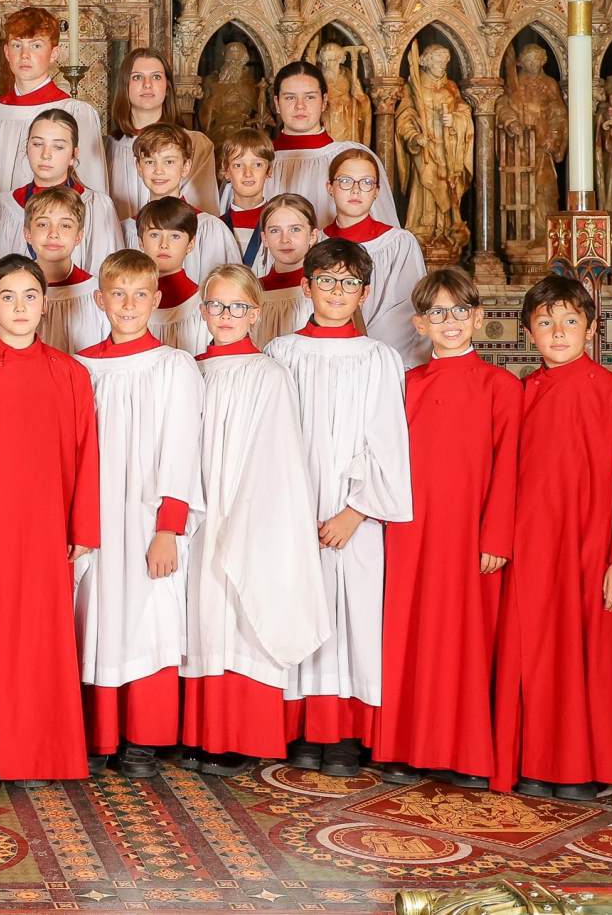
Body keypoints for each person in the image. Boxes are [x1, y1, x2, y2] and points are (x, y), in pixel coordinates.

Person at [492, 274, 612, 801]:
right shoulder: (521, 393)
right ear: (527, 332)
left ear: (590, 327)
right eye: (544, 323)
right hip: (533, 548)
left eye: (569, 321)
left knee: (591, 656)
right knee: (535, 654)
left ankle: (591, 764)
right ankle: (536, 760)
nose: (557, 332)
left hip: (591, 550)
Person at [263, 239, 413, 779]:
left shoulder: (379, 358)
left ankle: (346, 732)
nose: (336, 292)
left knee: (353, 615)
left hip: (355, 516)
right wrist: (286, 507)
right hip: (293, 508)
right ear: (305, 287)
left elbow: (388, 442)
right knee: (296, 605)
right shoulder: (281, 353)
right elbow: (270, 437)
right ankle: (301, 727)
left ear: (366, 294)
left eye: (349, 283)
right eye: (326, 281)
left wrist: (357, 510)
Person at [371, 268, 519, 789]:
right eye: (437, 312)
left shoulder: (501, 387)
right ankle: (404, 747)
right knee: (408, 636)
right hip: (411, 532)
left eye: (460, 311)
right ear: (420, 323)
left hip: (470, 535)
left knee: (466, 641)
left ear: (478, 318)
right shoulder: (405, 384)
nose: (450, 322)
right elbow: (384, 459)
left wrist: (497, 537)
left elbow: (510, 468)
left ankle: (468, 752)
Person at [180, 265, 330, 776]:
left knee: (239, 612)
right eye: (217, 306)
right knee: (200, 617)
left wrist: (244, 507)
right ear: (202, 312)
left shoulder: (268, 374)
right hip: (198, 511)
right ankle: (203, 731)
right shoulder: (187, 369)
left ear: (256, 313)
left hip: (248, 506)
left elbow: (279, 451)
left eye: (238, 307)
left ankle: (242, 733)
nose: (227, 316)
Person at [0, 255, 99, 785]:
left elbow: (88, 453)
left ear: (46, 304)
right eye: (8, 297)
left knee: (41, 637)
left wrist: (83, 528)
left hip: (46, 527)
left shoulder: (70, 373)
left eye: (30, 296)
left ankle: (39, 752)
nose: (20, 307)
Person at [74, 252, 204, 778]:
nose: (129, 305)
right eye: (118, 294)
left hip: (149, 514)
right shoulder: (81, 366)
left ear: (157, 300)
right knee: (96, 614)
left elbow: (182, 448)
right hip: (95, 517)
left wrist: (169, 526)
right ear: (100, 300)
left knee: (150, 616)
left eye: (140, 295)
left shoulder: (173, 366)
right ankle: (100, 733)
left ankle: (143, 738)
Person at [322, 147, 428, 363]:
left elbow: (405, 311)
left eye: (366, 182)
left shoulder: (398, 243)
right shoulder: (316, 242)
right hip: (324, 354)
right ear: (330, 188)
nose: (356, 190)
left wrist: (367, 352)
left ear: (377, 191)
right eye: (345, 181)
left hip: (379, 358)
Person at [0, 7, 108, 195]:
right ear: (6, 52)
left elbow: (90, 186)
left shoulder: (75, 112)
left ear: (54, 54)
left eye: (36, 45)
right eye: (17, 45)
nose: (24, 55)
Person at [267, 60, 401, 225]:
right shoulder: (256, 163)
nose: (299, 106)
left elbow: (379, 236)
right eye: (290, 97)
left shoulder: (352, 159)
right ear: (277, 103)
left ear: (323, 101)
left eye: (309, 97)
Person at [0, 109, 120, 276]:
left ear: (74, 155)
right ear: (26, 148)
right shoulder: (3, 206)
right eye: (37, 144)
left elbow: (110, 276)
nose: (46, 155)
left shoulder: (97, 206)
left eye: (58, 146)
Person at [120, 124, 242, 282]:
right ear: (139, 167)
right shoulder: (126, 230)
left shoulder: (209, 229)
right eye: (150, 162)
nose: (159, 171)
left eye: (169, 162)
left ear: (186, 166)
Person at [106, 48, 219, 218]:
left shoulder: (196, 144)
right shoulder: (107, 148)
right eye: (137, 77)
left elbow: (202, 213)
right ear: (125, 86)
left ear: (167, 87)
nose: (147, 84)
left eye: (156, 76)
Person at [24, 187, 108, 353]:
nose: (53, 234)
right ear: (27, 234)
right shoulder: (14, 291)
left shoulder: (96, 292)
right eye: (42, 224)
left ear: (78, 236)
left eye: (65, 226)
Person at [135, 198, 211, 355]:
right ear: (141, 242)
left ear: (190, 243)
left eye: (175, 236)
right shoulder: (128, 303)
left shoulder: (202, 304)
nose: (164, 244)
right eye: (155, 234)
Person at [253, 194, 317, 343]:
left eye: (295, 229)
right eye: (275, 230)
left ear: (312, 236)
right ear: (265, 239)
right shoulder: (253, 291)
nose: (284, 239)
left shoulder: (325, 289)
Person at [217, 127, 276, 273]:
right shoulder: (215, 228)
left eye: (257, 165)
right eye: (238, 165)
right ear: (226, 171)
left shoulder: (277, 226)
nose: (248, 173)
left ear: (268, 171)